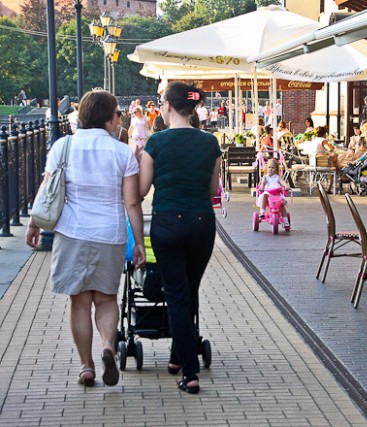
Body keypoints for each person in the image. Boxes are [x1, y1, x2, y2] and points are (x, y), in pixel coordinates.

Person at [25, 90, 145, 388]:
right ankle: (108, 345)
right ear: (107, 118)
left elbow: (47, 188)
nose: (121, 119)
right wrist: (139, 241)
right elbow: (131, 202)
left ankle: (86, 366)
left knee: (79, 302)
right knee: (106, 299)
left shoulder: (63, 146)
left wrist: (33, 224)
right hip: (110, 234)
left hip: (72, 233)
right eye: (118, 114)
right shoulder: (121, 152)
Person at [139, 82, 222, 395]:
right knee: (190, 289)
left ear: (168, 107)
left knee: (175, 295)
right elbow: (213, 190)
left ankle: (189, 371)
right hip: (202, 223)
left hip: (168, 224)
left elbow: (143, 189)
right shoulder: (210, 142)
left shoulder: (156, 142)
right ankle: (178, 356)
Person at [257, 158, 289, 226]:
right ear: (267, 168)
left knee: (282, 205)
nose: (270, 169)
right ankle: (262, 212)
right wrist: (262, 187)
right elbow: (263, 184)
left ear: (276, 169)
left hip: (277, 195)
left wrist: (286, 186)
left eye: (273, 168)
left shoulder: (277, 177)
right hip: (268, 194)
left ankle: (286, 220)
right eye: (269, 167)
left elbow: (282, 182)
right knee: (264, 196)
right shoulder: (265, 177)